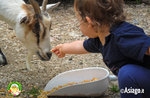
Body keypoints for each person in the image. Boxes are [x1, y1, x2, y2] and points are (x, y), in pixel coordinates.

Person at [51, 0, 150, 98]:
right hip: (142, 84)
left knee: (127, 73)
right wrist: (63, 48)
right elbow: (81, 46)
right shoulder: (100, 38)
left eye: (78, 21)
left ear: (89, 22)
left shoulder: (123, 36)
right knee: (127, 75)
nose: (79, 25)